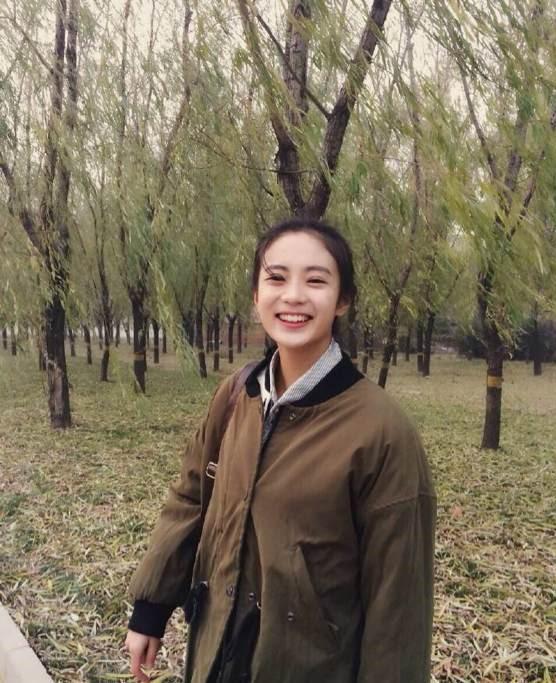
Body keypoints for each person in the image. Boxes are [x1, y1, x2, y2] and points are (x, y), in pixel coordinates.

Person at [125, 218, 437, 683]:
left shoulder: (382, 433)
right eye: (276, 278)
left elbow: (398, 602)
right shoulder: (237, 396)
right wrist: (150, 609)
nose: (293, 296)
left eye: (316, 280)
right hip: (216, 651)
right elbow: (191, 497)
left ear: (343, 299)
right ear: (256, 296)